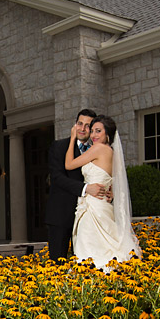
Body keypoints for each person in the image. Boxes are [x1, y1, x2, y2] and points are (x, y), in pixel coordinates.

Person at [64, 115, 142, 270]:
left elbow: (69, 164)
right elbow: (114, 179)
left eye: (98, 131)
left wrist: (72, 138)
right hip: (103, 206)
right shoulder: (111, 152)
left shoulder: (98, 149)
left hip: (93, 208)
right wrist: (112, 191)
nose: (93, 135)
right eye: (92, 131)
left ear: (107, 134)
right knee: (102, 249)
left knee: (89, 252)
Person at [45, 109, 109, 261]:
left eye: (87, 126)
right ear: (75, 124)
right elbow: (57, 178)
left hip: (88, 217)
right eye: (80, 123)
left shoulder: (99, 149)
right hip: (61, 214)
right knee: (56, 265)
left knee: (85, 262)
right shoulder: (59, 146)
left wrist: (108, 190)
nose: (82, 128)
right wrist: (86, 188)